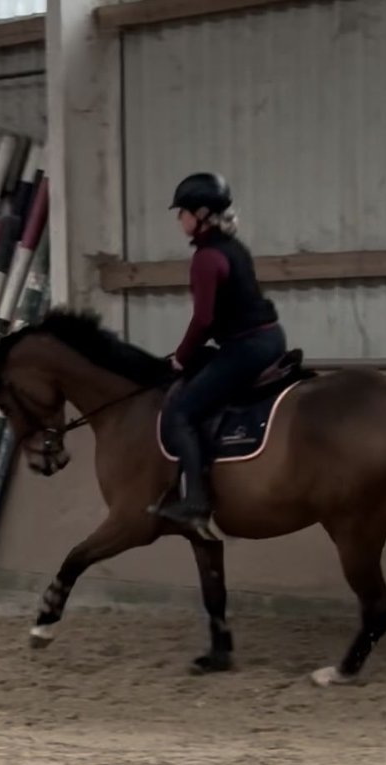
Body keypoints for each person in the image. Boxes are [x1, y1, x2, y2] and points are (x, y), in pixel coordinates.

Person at [150, 172, 288, 536]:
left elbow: (204, 320)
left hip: (247, 348)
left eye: (182, 212)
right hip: (270, 337)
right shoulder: (233, 247)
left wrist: (180, 357)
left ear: (201, 214)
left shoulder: (206, 259)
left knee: (180, 412)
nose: (179, 219)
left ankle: (195, 501)